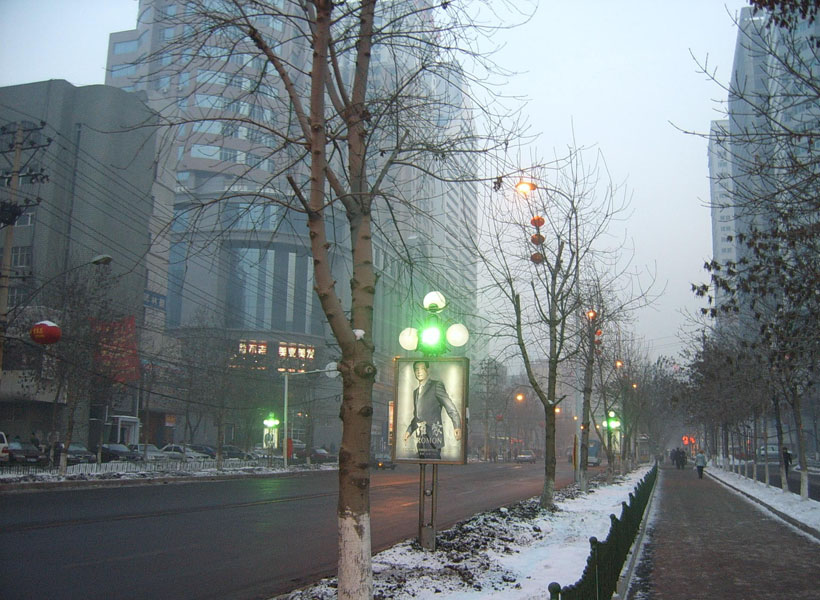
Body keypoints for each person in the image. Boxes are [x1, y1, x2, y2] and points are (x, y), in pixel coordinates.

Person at [403, 361, 462, 460]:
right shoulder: (415, 392)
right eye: (416, 369)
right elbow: (417, 416)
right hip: (421, 438)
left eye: (422, 369)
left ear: (427, 370)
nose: (419, 372)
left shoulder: (436, 386)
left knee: (434, 464)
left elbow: (450, 407)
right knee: (422, 464)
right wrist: (409, 431)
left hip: (434, 437)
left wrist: (457, 426)